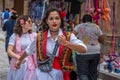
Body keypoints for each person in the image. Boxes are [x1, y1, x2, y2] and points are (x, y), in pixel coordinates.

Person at [16, 7, 87, 80]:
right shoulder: (40, 37)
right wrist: (20, 60)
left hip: (61, 75)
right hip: (43, 73)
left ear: (60, 20)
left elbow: (83, 49)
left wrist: (66, 43)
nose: (54, 21)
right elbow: (29, 50)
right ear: (46, 21)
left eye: (57, 18)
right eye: (51, 19)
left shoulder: (68, 36)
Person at [73, 14, 104, 80]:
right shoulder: (96, 27)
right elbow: (102, 39)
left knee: (83, 74)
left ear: (82, 20)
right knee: (93, 73)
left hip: (82, 53)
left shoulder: (78, 27)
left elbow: (71, 36)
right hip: (95, 53)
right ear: (91, 20)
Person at [7, 15, 37, 80]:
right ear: (22, 24)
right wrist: (19, 58)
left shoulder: (34, 35)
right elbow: (9, 51)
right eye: (29, 21)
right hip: (18, 64)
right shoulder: (14, 36)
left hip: (30, 64)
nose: (31, 23)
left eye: (31, 21)